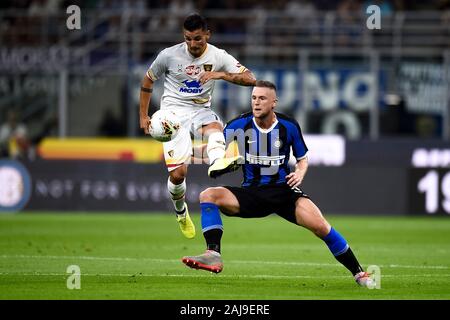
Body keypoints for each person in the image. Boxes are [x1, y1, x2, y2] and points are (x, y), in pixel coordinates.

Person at [182, 80, 375, 288]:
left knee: (322, 227)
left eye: (262, 98)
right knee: (208, 195)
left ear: (274, 102)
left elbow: (302, 158)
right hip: (252, 195)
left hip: (284, 193)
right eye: (254, 98)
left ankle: (359, 273)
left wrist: (300, 173)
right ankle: (213, 253)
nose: (256, 102)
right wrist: (183, 153)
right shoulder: (238, 125)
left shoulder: (289, 126)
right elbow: (214, 150)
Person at [139, 13, 256, 239]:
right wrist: (143, 116)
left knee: (214, 127)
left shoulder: (218, 55)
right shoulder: (168, 55)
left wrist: (219, 74)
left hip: (200, 110)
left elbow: (251, 78)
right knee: (178, 175)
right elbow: (147, 81)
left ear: (207, 35)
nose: (193, 44)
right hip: (171, 115)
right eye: (188, 38)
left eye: (198, 39)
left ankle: (217, 163)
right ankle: (181, 212)